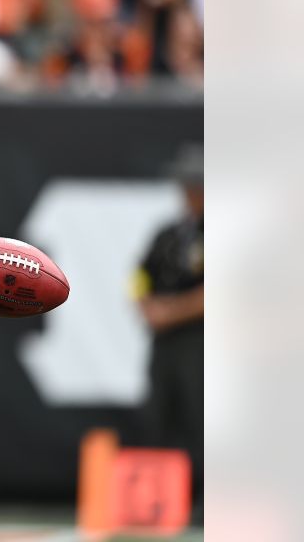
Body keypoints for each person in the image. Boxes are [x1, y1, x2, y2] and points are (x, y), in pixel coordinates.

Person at [134, 143, 204, 517]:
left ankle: (204, 501)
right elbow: (139, 275)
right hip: (164, 341)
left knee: (201, 418)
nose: (190, 194)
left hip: (202, 341)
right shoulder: (169, 234)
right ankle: (157, 501)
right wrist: (146, 306)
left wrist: (171, 311)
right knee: (160, 415)